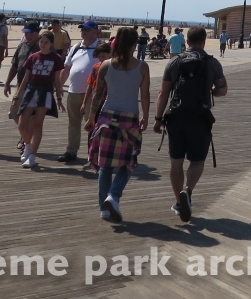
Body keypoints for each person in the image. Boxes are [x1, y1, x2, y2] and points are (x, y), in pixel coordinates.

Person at [153, 27, 227, 221]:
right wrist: (211, 90)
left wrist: (158, 119)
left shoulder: (175, 62)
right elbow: (223, 90)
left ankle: (179, 201)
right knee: (197, 160)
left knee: (176, 161)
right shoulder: (212, 63)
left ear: (186, 40)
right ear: (204, 41)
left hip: (176, 117)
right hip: (200, 117)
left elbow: (163, 93)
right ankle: (188, 190)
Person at [87, 28, 150, 223]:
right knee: (129, 162)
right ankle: (113, 195)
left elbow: (98, 95)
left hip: (106, 116)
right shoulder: (142, 66)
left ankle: (104, 209)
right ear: (134, 45)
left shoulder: (106, 65)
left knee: (105, 164)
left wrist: (91, 118)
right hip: (129, 119)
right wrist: (146, 117)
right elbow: (145, 95)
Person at [12, 30, 65, 168]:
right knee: (22, 123)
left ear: (51, 43)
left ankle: (33, 156)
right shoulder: (33, 57)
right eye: (41, 42)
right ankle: (28, 146)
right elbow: (26, 77)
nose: (43, 44)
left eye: (46, 42)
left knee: (38, 124)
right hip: (31, 91)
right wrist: (17, 95)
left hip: (45, 92)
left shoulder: (56, 58)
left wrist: (59, 97)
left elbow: (57, 79)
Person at [55, 20, 100, 164]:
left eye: (87, 29)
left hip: (92, 94)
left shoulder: (100, 47)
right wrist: (60, 86)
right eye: (82, 29)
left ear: (95, 31)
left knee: (92, 124)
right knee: (73, 123)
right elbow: (67, 68)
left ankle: (93, 154)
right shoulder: (75, 47)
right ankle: (71, 151)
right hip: (73, 92)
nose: (83, 32)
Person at [3, 21, 41, 100]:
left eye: (31, 34)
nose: (28, 37)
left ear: (38, 32)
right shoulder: (22, 45)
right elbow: (15, 65)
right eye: (26, 34)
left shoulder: (44, 47)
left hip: (38, 88)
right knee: (14, 111)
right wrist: (7, 83)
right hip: (20, 85)